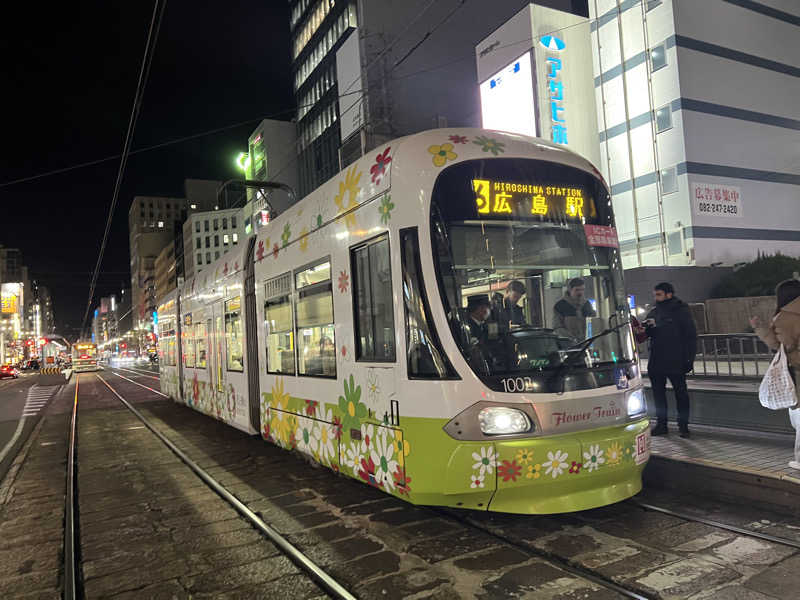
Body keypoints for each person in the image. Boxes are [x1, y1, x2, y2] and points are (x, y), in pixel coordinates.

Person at [751, 279, 800, 470]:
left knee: (798, 418)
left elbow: (782, 344)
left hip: (796, 371)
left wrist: (760, 328)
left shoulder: (786, 317)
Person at [644, 282, 697, 437]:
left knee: (681, 393)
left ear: (669, 294)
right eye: (655, 295)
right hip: (657, 360)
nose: (656, 298)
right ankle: (661, 425)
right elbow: (647, 334)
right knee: (658, 394)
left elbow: (690, 336)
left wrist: (689, 359)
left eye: (659, 294)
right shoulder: (654, 312)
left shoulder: (681, 311)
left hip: (676, 359)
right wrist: (646, 328)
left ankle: (683, 426)